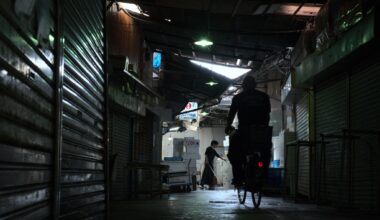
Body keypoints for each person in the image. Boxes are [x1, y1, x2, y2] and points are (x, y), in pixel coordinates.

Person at [225, 75, 271, 186]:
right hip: (261, 132)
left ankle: (238, 177)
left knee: (233, 153)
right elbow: (267, 114)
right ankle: (264, 175)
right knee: (266, 152)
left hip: (244, 131)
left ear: (243, 86)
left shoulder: (238, 97)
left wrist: (228, 126)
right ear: (255, 85)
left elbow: (231, 114)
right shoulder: (264, 96)